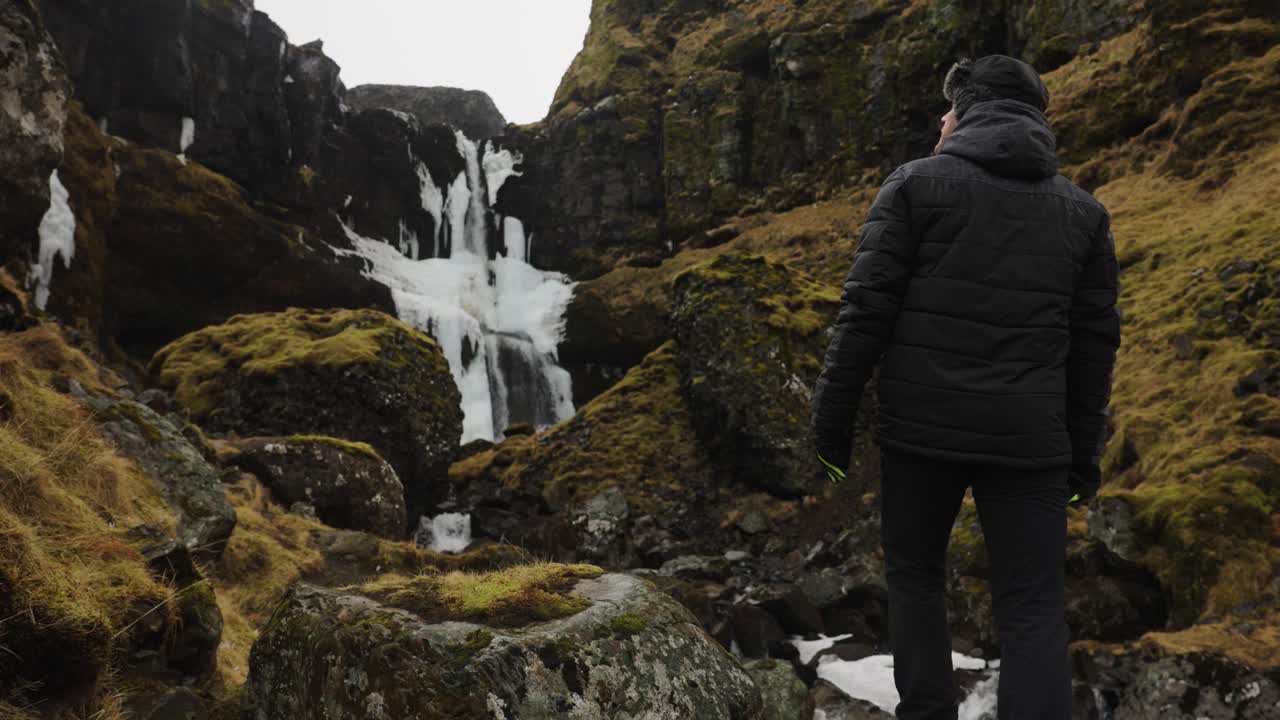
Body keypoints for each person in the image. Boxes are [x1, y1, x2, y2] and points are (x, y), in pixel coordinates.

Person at [810, 55, 1120, 719]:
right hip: (1030, 441)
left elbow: (865, 308)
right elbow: (1095, 348)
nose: (940, 120)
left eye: (948, 109)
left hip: (923, 432)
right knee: (1033, 608)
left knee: (916, 578)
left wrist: (830, 424)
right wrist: (1082, 458)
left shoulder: (915, 186)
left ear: (969, 112)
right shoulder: (1083, 214)